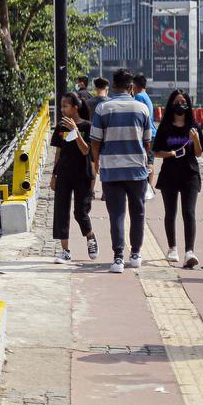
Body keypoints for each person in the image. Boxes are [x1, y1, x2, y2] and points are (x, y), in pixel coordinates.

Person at [89, 68, 153, 273]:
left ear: (113, 86)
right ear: (131, 87)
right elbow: (147, 141)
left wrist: (97, 162)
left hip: (112, 168)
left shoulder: (103, 108)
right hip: (137, 169)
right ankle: (135, 254)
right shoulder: (142, 108)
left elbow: (95, 141)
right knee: (138, 212)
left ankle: (118, 258)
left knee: (116, 214)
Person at [152, 90, 203, 269]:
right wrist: (171, 153)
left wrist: (195, 140)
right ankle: (172, 248)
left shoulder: (193, 126)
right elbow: (156, 151)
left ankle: (189, 251)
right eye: (177, 101)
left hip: (190, 174)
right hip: (169, 174)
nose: (180, 104)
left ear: (188, 104)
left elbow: (198, 152)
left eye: (184, 101)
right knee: (170, 212)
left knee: (189, 213)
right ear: (171, 104)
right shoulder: (165, 126)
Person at [50, 92, 98, 263]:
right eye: (61, 106)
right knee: (61, 211)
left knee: (80, 211)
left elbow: (87, 151)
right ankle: (65, 250)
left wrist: (75, 131)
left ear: (75, 108)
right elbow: (58, 152)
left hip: (82, 174)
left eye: (65, 106)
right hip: (63, 173)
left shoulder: (88, 126)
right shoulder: (60, 127)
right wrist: (53, 175)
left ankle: (90, 236)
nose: (62, 109)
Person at [132, 73, 158, 199]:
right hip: (152, 133)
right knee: (150, 160)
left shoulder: (138, 97)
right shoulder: (146, 96)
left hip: (145, 134)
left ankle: (147, 187)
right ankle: (150, 186)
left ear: (134, 85)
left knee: (146, 161)